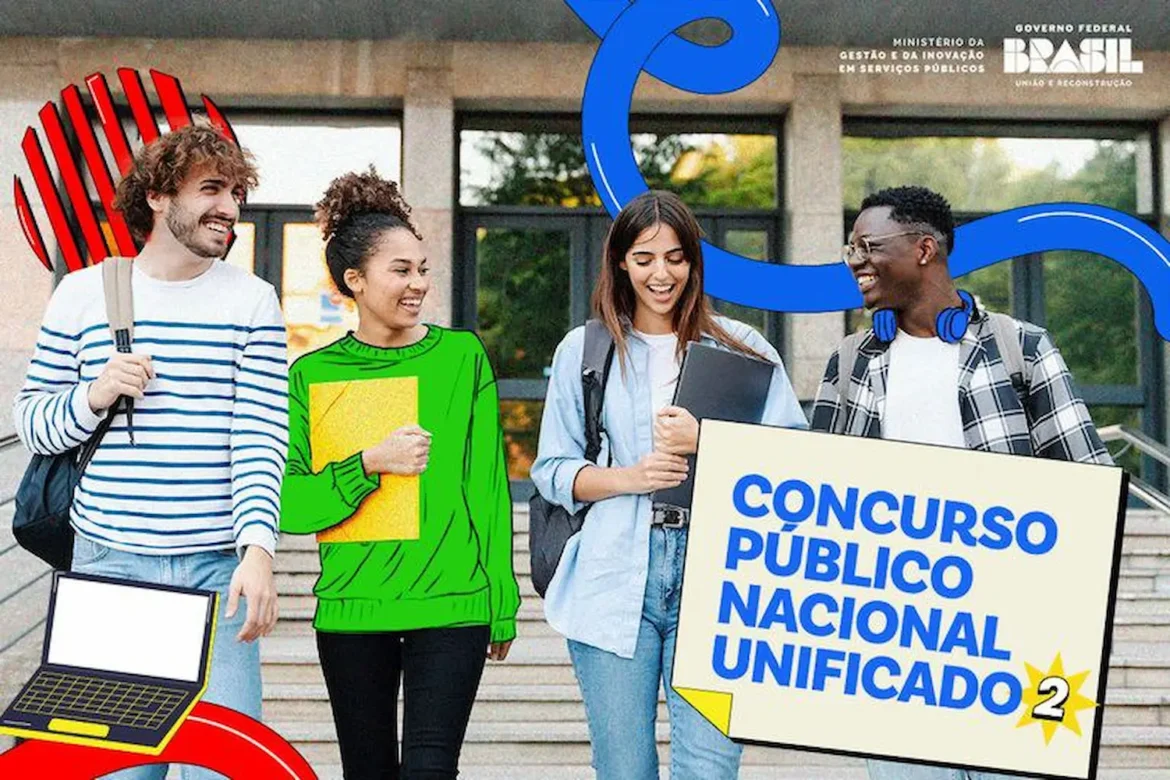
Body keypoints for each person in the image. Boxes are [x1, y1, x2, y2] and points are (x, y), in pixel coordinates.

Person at [809, 185, 1113, 780]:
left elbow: (1092, 486)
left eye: (869, 246)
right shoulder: (849, 362)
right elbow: (814, 496)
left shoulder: (1019, 348)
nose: (856, 262)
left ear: (925, 249)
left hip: (1014, 650)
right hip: (893, 650)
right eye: (851, 249)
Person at [13, 123, 286, 780]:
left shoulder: (252, 300)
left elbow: (261, 435)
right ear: (159, 196)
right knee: (119, 774)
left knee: (223, 771)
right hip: (113, 571)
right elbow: (33, 423)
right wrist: (94, 394)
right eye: (212, 189)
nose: (230, 207)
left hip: (218, 574)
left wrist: (258, 548)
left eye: (237, 192)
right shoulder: (82, 293)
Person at [531, 189, 807, 780]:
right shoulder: (586, 349)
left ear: (694, 263)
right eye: (645, 258)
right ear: (621, 263)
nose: (662, 273)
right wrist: (628, 477)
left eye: (676, 258)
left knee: (708, 769)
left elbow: (796, 465)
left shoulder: (742, 347)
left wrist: (708, 443)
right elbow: (551, 471)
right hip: (611, 573)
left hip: (721, 577)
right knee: (624, 769)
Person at [279, 168, 520, 780]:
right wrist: (367, 466)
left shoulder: (460, 357)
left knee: (430, 772)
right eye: (401, 270)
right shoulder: (311, 375)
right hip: (353, 610)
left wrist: (503, 600)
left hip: (452, 605)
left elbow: (485, 488)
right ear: (354, 281)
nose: (418, 284)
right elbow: (290, 505)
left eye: (423, 268)